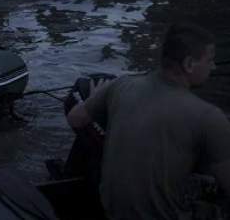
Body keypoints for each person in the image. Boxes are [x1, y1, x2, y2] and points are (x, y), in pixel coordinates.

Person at [67, 23, 230, 219]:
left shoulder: (120, 85)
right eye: (210, 60)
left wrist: (99, 101)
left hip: (111, 213)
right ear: (188, 64)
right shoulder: (209, 116)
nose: (213, 66)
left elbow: (75, 118)